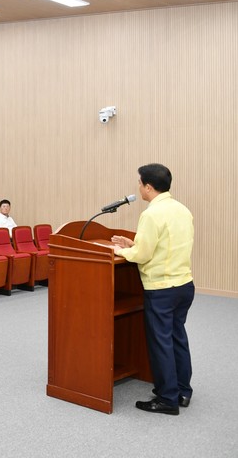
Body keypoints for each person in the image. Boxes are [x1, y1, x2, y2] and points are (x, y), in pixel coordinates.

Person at [111, 163, 195, 416]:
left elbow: (143, 255)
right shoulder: (182, 209)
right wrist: (133, 243)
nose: (138, 187)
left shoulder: (151, 214)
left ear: (148, 187)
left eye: (139, 183)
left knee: (161, 342)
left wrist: (121, 250)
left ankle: (167, 399)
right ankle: (183, 391)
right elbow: (165, 244)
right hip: (184, 285)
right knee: (177, 337)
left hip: (161, 288)